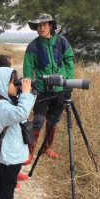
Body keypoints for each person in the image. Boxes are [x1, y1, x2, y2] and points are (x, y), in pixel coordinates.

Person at [23, 13, 75, 164]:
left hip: (60, 89)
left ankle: (47, 147)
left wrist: (69, 82)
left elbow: (69, 60)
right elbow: (28, 69)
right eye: (39, 26)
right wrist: (28, 88)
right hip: (42, 90)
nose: (41, 28)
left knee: (54, 120)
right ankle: (30, 152)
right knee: (38, 120)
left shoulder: (61, 41)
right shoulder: (33, 46)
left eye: (44, 25)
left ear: (50, 26)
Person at [0, 67, 35, 199]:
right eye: (13, 82)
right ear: (2, 84)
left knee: (1, 182)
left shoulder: (4, 101)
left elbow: (23, 109)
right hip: (10, 153)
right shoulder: (1, 106)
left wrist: (29, 94)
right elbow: (22, 113)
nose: (17, 85)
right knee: (8, 185)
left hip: (7, 152)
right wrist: (26, 93)